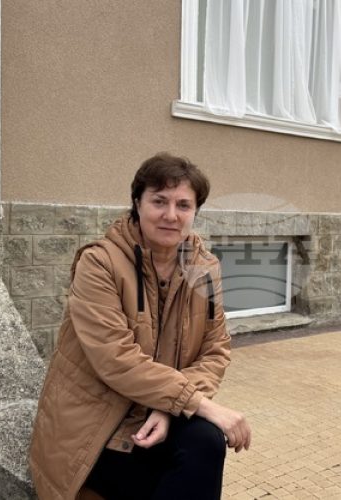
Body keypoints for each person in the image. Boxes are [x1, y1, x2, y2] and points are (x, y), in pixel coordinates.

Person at [29, 153, 251, 500]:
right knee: (178, 467)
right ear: (137, 202)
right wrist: (198, 404)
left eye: (183, 205)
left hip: (156, 413)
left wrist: (170, 407)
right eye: (159, 201)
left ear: (195, 211)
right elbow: (116, 359)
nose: (171, 215)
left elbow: (215, 350)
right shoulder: (99, 263)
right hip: (96, 426)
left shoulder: (204, 269)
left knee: (206, 442)